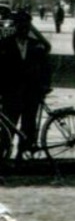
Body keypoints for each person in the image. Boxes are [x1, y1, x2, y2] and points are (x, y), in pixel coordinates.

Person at [0, 9, 53, 152]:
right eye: (20, 24)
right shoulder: (4, 44)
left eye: (26, 25)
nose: (23, 28)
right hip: (11, 92)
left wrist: (46, 85)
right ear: (15, 26)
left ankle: (23, 154)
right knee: (8, 125)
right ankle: (4, 153)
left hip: (32, 92)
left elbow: (46, 67)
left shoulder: (36, 45)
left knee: (28, 124)